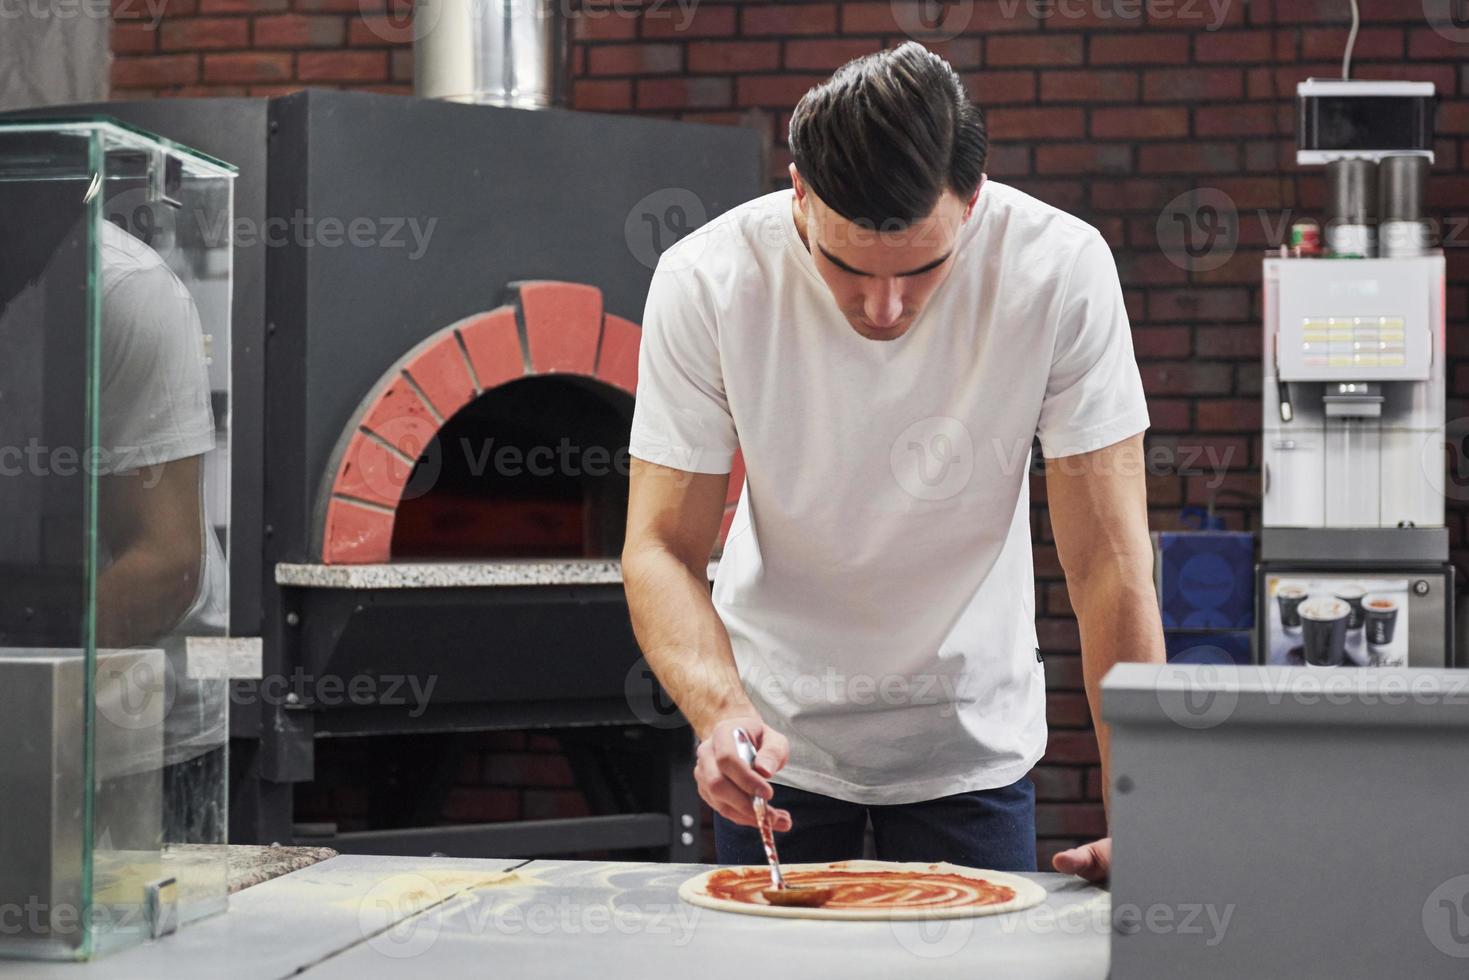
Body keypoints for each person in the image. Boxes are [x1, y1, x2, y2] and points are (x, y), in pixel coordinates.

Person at [621, 43, 1165, 882]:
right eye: (844, 267)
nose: (883, 308)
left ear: (972, 203)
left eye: (922, 270)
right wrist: (719, 713)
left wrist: (1151, 809)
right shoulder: (707, 280)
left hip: (968, 738)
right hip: (775, 739)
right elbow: (660, 546)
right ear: (798, 191)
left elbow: (1109, 560)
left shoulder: (1059, 270)